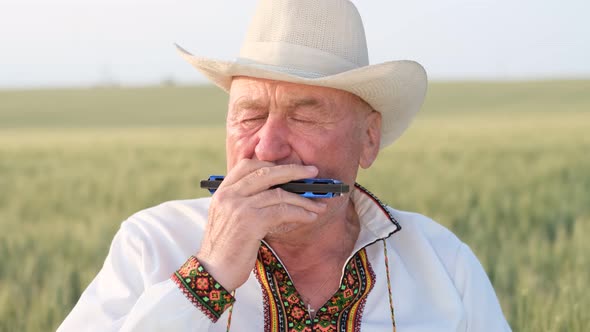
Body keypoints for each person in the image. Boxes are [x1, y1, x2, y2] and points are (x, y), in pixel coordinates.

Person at [58, 0, 511, 331]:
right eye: (250, 115)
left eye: (305, 115)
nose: (268, 147)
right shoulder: (152, 243)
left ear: (368, 139)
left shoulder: (442, 263)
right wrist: (207, 275)